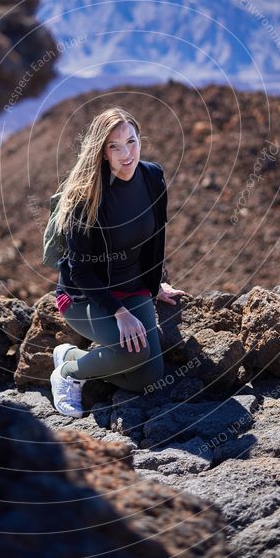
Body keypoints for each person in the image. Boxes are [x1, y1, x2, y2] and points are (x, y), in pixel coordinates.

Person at [50, 106, 186, 417]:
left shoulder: (152, 177)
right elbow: (80, 271)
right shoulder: (84, 198)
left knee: (148, 376)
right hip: (83, 295)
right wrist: (120, 314)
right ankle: (68, 372)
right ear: (102, 153)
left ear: (141, 140)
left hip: (133, 286)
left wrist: (155, 284)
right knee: (128, 353)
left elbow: (154, 239)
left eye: (132, 142)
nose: (126, 154)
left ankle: (75, 356)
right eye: (114, 146)